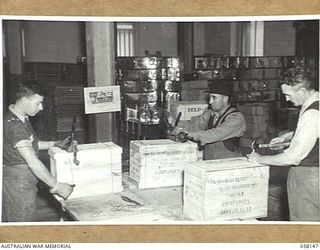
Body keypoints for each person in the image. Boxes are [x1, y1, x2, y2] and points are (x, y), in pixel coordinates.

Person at [248, 66, 319, 221]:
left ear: (301, 91)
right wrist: (288, 137)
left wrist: (259, 159)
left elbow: (292, 158)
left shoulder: (311, 114)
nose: (287, 99)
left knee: (305, 228)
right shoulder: (316, 104)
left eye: (288, 94)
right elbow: (315, 133)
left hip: (309, 179)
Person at [2, 80, 74, 222]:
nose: (41, 108)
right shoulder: (15, 126)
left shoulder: (21, 118)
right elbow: (33, 161)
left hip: (21, 179)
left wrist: (54, 144)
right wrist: (57, 186)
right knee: (20, 221)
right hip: (18, 182)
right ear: (24, 100)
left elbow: (31, 144)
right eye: (37, 103)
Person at [172, 79, 246, 160]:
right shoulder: (210, 114)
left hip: (229, 163)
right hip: (209, 160)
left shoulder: (236, 118)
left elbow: (215, 134)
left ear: (225, 99)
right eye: (210, 97)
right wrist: (177, 124)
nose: (210, 101)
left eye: (214, 98)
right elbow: (195, 125)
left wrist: (190, 134)